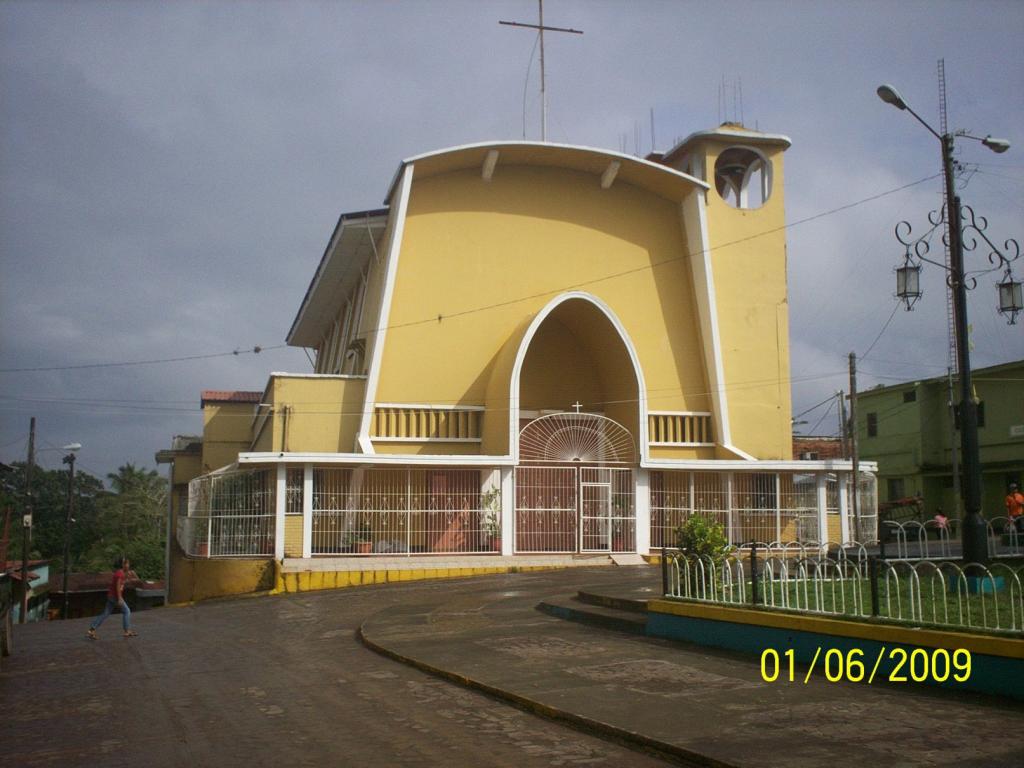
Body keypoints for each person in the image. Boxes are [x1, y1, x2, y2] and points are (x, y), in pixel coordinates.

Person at [87, 556, 137, 639]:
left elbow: (122, 583)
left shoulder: (120, 573)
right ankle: (127, 631)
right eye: (127, 563)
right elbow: (117, 586)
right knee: (127, 611)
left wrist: (129, 577)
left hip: (111, 596)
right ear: (123, 564)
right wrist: (119, 598)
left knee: (106, 613)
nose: (128, 565)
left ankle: (91, 630)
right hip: (115, 597)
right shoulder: (120, 574)